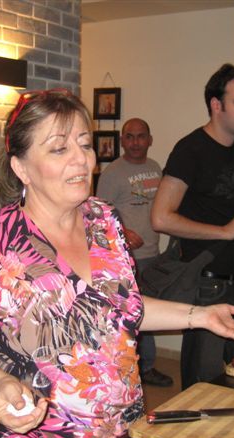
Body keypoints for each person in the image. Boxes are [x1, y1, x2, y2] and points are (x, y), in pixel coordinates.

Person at [0, 90, 234, 438]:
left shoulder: (104, 220)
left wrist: (200, 316)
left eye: (85, 144)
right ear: (21, 167)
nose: (82, 159)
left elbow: (119, 309)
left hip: (121, 436)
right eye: (59, 148)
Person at [151, 64, 234, 390]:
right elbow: (161, 217)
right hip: (208, 286)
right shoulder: (190, 150)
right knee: (205, 384)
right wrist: (223, 232)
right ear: (217, 105)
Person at [96, 118, 173, 387]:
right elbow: (99, 214)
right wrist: (124, 232)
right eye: (129, 136)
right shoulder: (112, 173)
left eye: (141, 136)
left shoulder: (155, 168)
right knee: (137, 312)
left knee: (146, 309)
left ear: (150, 140)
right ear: (122, 141)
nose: (135, 142)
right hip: (126, 258)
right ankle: (144, 368)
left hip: (153, 253)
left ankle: (142, 366)